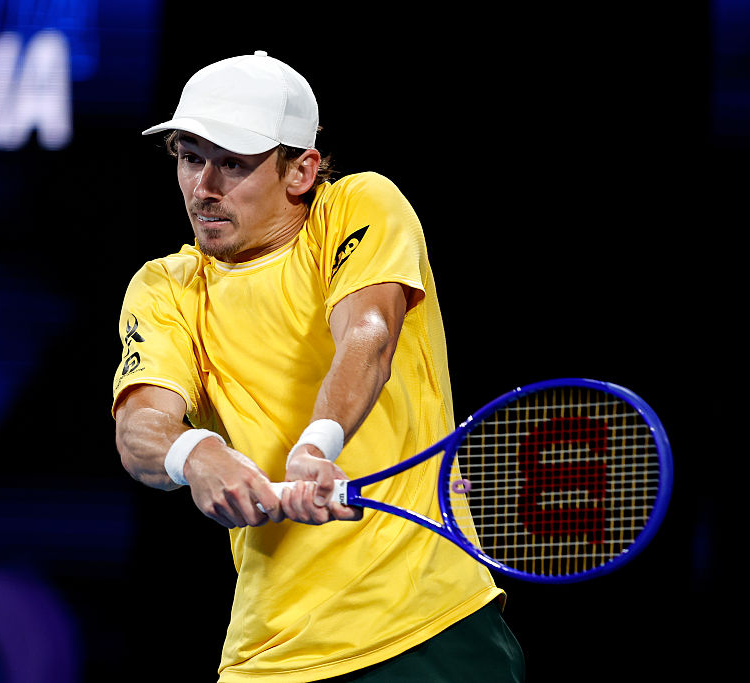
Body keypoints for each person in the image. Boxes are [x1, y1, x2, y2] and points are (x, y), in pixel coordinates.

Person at [112, 50, 525, 681]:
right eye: (190, 158)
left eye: (234, 164)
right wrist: (193, 452)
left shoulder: (359, 206)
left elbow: (370, 333)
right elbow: (141, 426)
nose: (204, 187)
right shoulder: (164, 287)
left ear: (301, 170)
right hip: (266, 655)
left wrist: (315, 445)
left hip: (425, 628)